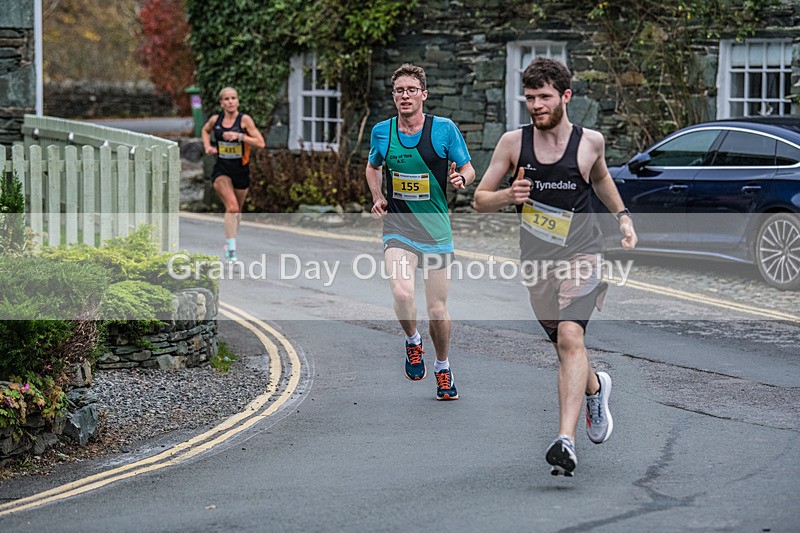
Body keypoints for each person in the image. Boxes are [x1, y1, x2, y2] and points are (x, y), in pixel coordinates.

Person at [473, 57, 637, 476]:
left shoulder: (590, 143)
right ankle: (595, 387)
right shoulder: (513, 143)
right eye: (530, 98)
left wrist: (622, 216)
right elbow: (480, 199)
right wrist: (508, 195)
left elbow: (600, 179)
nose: (536, 105)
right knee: (563, 346)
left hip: (583, 254)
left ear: (566, 96)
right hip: (537, 262)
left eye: (544, 97)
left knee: (570, 336)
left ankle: (566, 440)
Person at [366, 63, 475, 400]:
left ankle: (443, 367)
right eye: (399, 90)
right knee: (402, 293)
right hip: (398, 228)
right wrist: (378, 196)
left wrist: (461, 178)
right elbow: (373, 166)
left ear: (423, 94)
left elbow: (468, 167)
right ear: (394, 96)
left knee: (437, 310)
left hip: (436, 233)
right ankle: (413, 341)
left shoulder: (444, 130)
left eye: (411, 90)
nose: (405, 96)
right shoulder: (382, 132)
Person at [202, 87, 266, 262]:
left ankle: (230, 241)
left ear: (238, 101)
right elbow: (205, 130)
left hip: (241, 171)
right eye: (226, 99)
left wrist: (240, 136)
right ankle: (231, 249)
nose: (230, 102)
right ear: (221, 103)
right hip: (222, 170)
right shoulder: (215, 120)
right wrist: (207, 147)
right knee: (232, 208)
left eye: (233, 98)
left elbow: (261, 143)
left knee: (237, 212)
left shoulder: (244, 120)